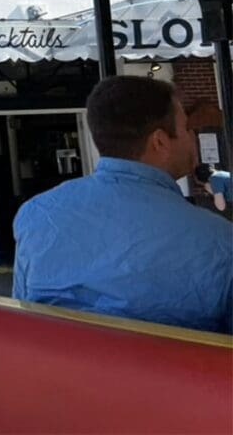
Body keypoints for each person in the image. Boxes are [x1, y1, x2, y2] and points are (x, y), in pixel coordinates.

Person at [12, 76, 232, 334]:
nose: (192, 137)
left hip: (53, 358)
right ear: (160, 141)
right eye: (185, 128)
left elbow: (22, 321)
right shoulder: (219, 240)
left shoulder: (36, 214)